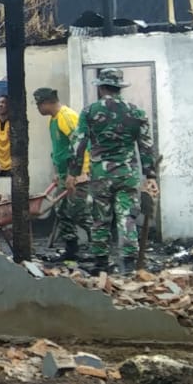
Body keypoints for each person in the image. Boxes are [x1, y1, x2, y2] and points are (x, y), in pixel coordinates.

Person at [68, 68, 158, 274]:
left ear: (101, 87)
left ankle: (101, 264)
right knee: (127, 217)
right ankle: (127, 265)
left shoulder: (89, 112)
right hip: (127, 175)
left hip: (100, 175)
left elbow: (78, 145)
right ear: (119, 88)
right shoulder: (136, 112)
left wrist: (72, 173)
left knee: (101, 218)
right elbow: (146, 146)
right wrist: (150, 175)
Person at [34, 87, 89, 264]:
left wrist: (83, 173)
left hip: (77, 175)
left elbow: (81, 146)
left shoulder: (66, 117)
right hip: (66, 175)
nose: (37, 108)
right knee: (62, 211)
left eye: (38, 104)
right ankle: (71, 248)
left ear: (48, 102)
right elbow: (60, 150)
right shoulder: (53, 120)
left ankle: (100, 250)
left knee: (79, 212)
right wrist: (58, 172)